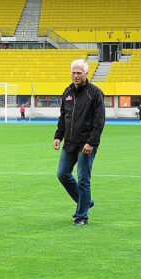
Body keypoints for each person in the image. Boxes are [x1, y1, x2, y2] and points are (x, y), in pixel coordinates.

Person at [53, 59, 105, 226]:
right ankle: (86, 201)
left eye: (79, 73)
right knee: (62, 174)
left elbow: (99, 121)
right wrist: (58, 136)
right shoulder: (67, 91)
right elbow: (63, 117)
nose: (75, 76)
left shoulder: (95, 93)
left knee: (83, 178)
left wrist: (91, 143)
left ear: (86, 74)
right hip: (69, 142)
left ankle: (82, 216)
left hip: (86, 145)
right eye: (73, 72)